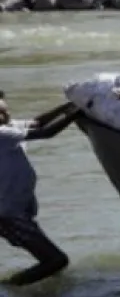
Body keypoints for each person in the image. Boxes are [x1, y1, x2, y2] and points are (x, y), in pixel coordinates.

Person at [0, 98, 80, 285]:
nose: (7, 115)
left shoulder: (8, 126)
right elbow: (46, 132)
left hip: (14, 210)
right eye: (1, 113)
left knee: (49, 261)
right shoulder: (2, 132)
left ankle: (39, 294)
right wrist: (78, 113)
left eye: (6, 110)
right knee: (56, 261)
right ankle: (9, 288)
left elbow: (38, 122)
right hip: (8, 213)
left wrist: (66, 107)